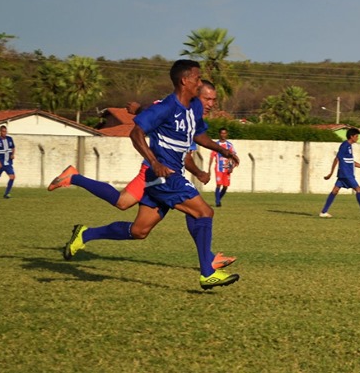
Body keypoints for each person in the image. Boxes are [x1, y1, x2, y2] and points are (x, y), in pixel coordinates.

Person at [58, 62, 242, 289]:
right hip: (164, 177)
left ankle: (86, 234)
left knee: (139, 231)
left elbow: (198, 134)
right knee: (204, 212)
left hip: (166, 177)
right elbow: (136, 133)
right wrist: (154, 162)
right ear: (185, 81)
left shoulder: (193, 107)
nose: (200, 81)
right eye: (197, 77)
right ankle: (207, 271)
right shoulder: (166, 107)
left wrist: (222, 150)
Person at [319, 127, 360, 219]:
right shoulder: (344, 145)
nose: (358, 138)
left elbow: (350, 162)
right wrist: (331, 173)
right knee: (358, 189)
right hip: (346, 174)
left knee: (335, 191)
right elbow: (337, 158)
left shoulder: (349, 146)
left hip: (344, 174)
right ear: (351, 136)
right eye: (357, 136)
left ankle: (323, 212)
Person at [208, 127, 237, 207]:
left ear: (226, 134)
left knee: (225, 186)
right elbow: (211, 157)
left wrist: (232, 166)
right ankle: (217, 202)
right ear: (219, 134)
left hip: (227, 168)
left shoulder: (229, 145)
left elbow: (234, 156)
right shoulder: (216, 145)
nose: (223, 135)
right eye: (222, 133)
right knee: (218, 184)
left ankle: (218, 199)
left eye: (224, 133)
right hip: (218, 168)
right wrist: (209, 169)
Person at [0, 125, 16, 199]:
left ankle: (6, 194)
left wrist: (12, 154)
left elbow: (13, 148)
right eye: (3, 131)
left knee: (12, 177)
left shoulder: (10, 139)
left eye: (6, 131)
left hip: (8, 163)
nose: (5, 133)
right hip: (0, 163)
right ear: (0, 132)